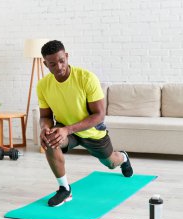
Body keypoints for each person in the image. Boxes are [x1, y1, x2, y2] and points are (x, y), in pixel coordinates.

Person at [37, 40, 133, 207]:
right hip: (65, 129)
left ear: (66, 57)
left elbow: (99, 115)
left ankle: (123, 157)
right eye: (52, 64)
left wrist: (67, 129)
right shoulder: (43, 86)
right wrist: (45, 129)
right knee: (50, 140)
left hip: (92, 131)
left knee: (110, 163)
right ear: (45, 64)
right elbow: (45, 116)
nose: (59, 67)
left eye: (61, 61)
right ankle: (64, 189)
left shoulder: (86, 78)